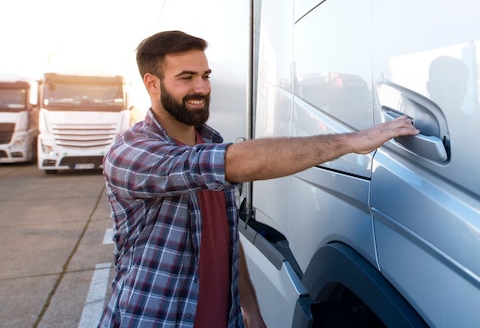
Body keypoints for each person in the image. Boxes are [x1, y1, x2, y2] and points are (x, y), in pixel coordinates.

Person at [98, 30, 419, 328]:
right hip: (153, 318)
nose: (202, 88)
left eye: (205, 76)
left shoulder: (209, 141)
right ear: (152, 84)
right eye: (187, 78)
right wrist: (350, 142)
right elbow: (232, 161)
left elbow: (224, 233)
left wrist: (248, 307)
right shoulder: (131, 153)